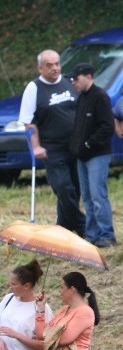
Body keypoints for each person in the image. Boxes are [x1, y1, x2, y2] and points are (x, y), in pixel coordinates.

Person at [18, 50, 85, 236]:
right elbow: (28, 121)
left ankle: (62, 228)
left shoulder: (69, 82)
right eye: (49, 65)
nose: (55, 68)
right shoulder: (34, 88)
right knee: (63, 188)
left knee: (75, 189)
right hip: (52, 148)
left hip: (75, 145)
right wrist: (36, 146)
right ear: (40, 68)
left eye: (57, 63)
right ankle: (83, 226)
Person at [69, 63, 116, 248]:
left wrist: (89, 143)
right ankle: (92, 235)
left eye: (76, 78)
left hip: (97, 155)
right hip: (82, 156)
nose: (73, 82)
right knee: (87, 197)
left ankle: (107, 235)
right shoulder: (81, 99)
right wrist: (75, 146)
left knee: (98, 196)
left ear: (88, 77)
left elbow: (107, 126)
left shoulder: (100, 97)